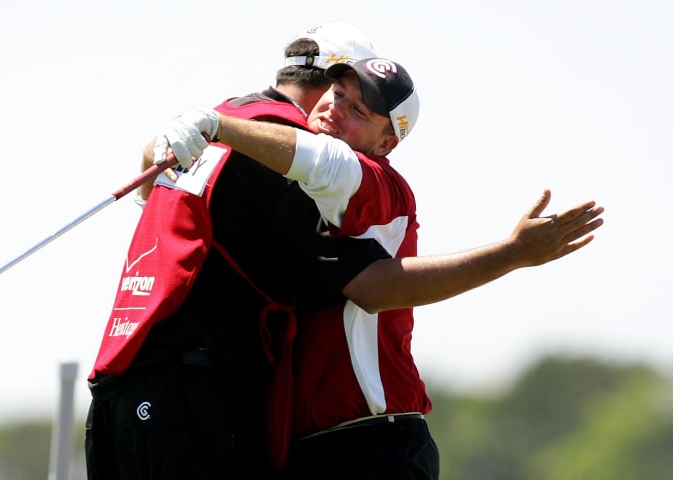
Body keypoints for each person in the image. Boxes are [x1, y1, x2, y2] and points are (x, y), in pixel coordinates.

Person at [152, 57, 604, 479]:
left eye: (359, 111)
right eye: (337, 93)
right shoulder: (301, 195)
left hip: (373, 443)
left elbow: (374, 285)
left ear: (386, 143)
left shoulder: (371, 179)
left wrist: (511, 254)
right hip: (316, 445)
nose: (335, 108)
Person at [85, 22, 387, 480]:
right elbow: (351, 285)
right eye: (350, 98)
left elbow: (149, 183)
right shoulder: (280, 151)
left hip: (116, 392)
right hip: (192, 396)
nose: (345, 113)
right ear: (330, 89)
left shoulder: (220, 117)